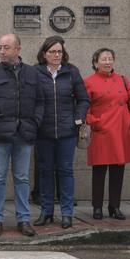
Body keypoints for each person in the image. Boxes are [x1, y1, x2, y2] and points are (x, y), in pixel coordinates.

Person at [0, 34, 44, 237]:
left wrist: (35, 122)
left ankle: (24, 219)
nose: (2, 51)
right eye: (0, 47)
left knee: (22, 178)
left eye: (6, 47)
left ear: (18, 49)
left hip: (24, 134)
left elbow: (41, 102)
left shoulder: (32, 74)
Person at [34, 36, 89, 229]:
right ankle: (46, 212)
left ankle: (67, 214)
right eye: (52, 52)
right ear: (44, 54)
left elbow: (83, 99)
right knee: (45, 171)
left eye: (59, 52)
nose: (56, 55)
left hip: (67, 132)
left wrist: (78, 118)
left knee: (66, 171)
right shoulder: (35, 72)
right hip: (43, 131)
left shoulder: (71, 72)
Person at [84, 47, 130, 221]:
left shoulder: (123, 80)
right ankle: (97, 207)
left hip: (121, 130)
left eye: (110, 58)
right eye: (104, 59)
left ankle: (115, 206)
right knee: (99, 171)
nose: (108, 62)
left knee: (118, 170)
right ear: (95, 63)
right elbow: (83, 108)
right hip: (102, 132)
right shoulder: (88, 82)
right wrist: (96, 122)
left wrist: (129, 120)